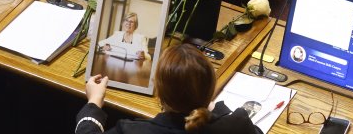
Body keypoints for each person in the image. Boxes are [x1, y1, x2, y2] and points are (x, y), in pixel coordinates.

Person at [75, 44, 263, 134]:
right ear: (210, 89)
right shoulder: (238, 125)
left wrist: (93, 104)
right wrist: (217, 110)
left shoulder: (133, 131)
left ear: (159, 91)